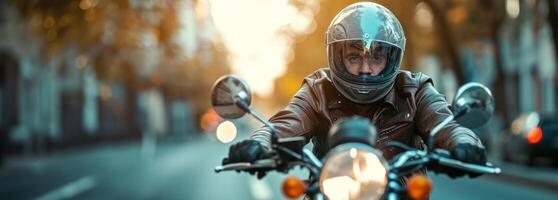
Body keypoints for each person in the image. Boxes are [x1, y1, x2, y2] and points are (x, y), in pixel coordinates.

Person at [224, 2, 486, 179]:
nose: (364, 68)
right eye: (353, 57)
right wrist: (259, 143)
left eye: (376, 58)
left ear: (391, 59)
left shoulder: (414, 89)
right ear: (337, 57)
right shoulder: (318, 89)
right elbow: (287, 122)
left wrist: (464, 143)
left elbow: (446, 124)